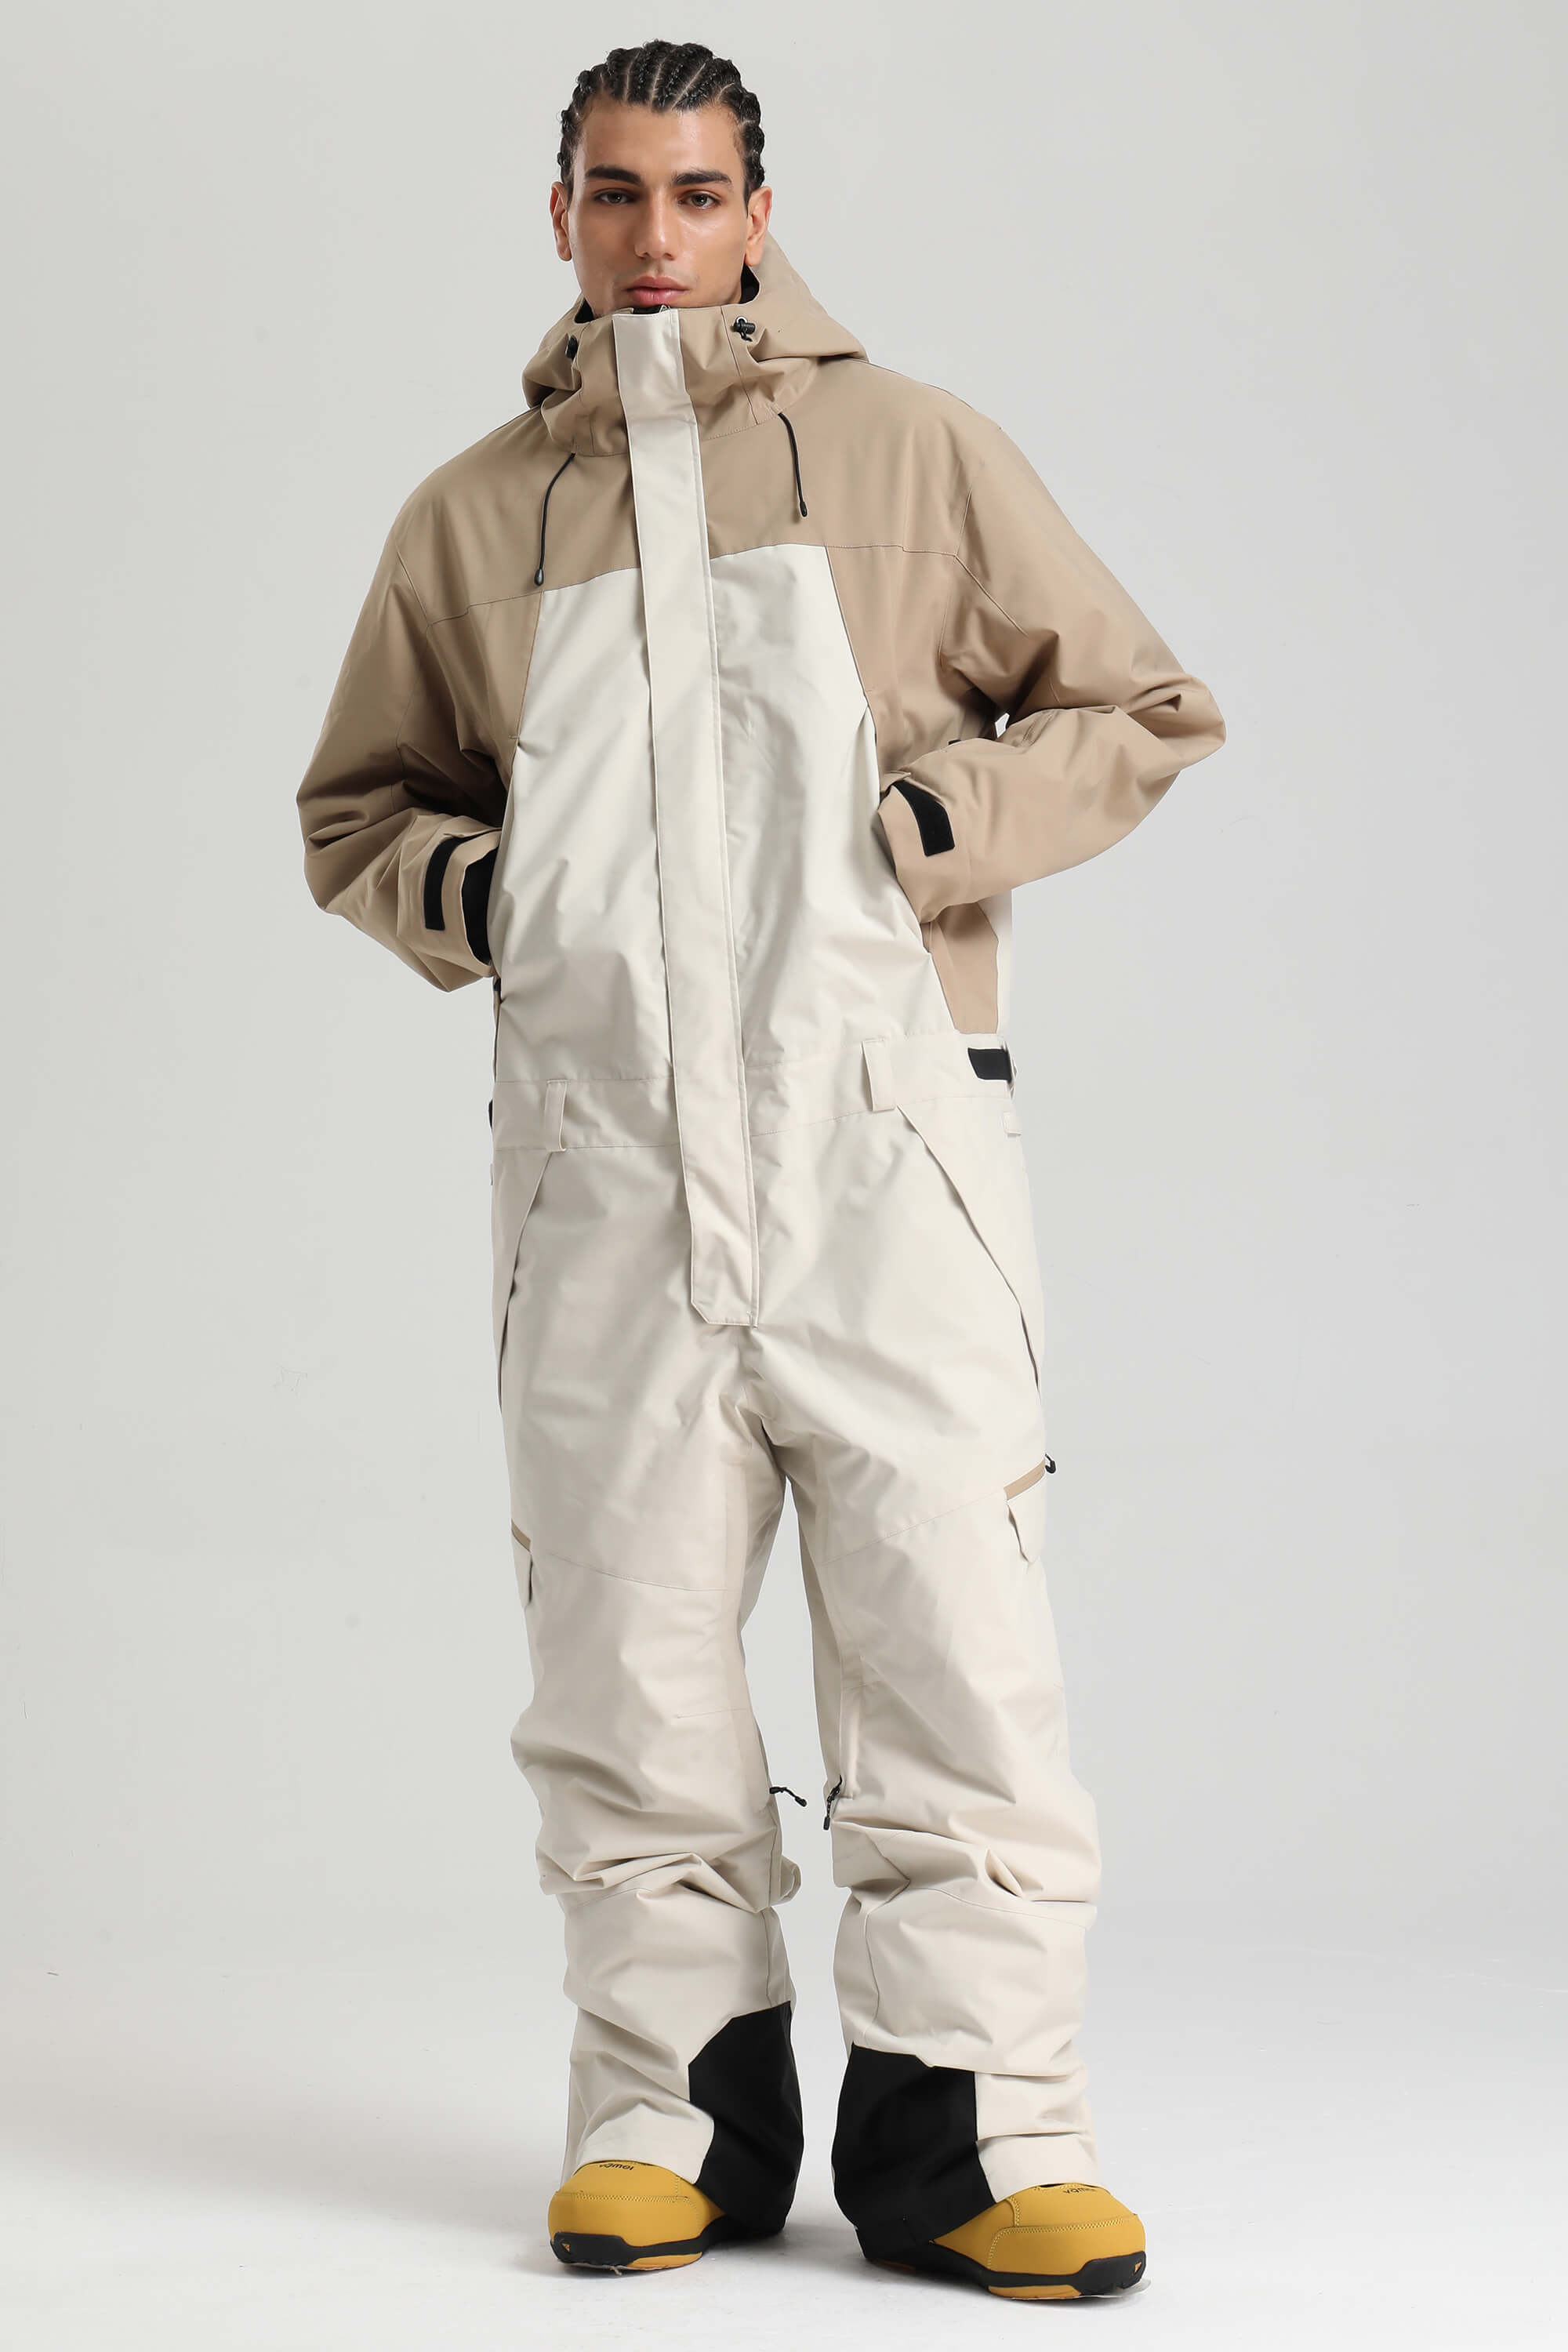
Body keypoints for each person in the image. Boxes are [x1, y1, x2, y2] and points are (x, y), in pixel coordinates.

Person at [297, 38, 1223, 2303]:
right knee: (625, 1663)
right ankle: (668, 2116)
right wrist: (494, 897)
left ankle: (978, 2135)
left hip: (887, 1157)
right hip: (600, 1176)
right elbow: (358, 811)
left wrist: (936, 825)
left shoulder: (913, 450)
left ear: (758, 209)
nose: (655, 236)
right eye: (615, 193)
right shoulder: (471, 515)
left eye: (696, 194)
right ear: (560, 213)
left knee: (954, 1645)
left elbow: (1141, 705)